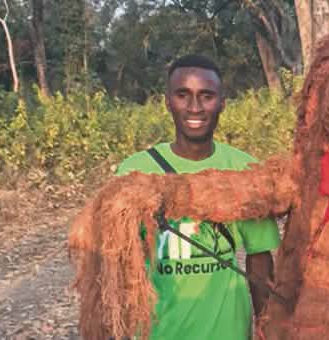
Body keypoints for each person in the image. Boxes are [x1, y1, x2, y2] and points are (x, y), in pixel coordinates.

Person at [115, 55, 280, 339]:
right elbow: (115, 265)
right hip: (158, 332)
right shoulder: (135, 172)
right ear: (168, 101)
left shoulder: (245, 170)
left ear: (222, 103)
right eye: (183, 95)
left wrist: (267, 324)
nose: (195, 107)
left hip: (229, 331)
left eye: (206, 96)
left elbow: (259, 259)